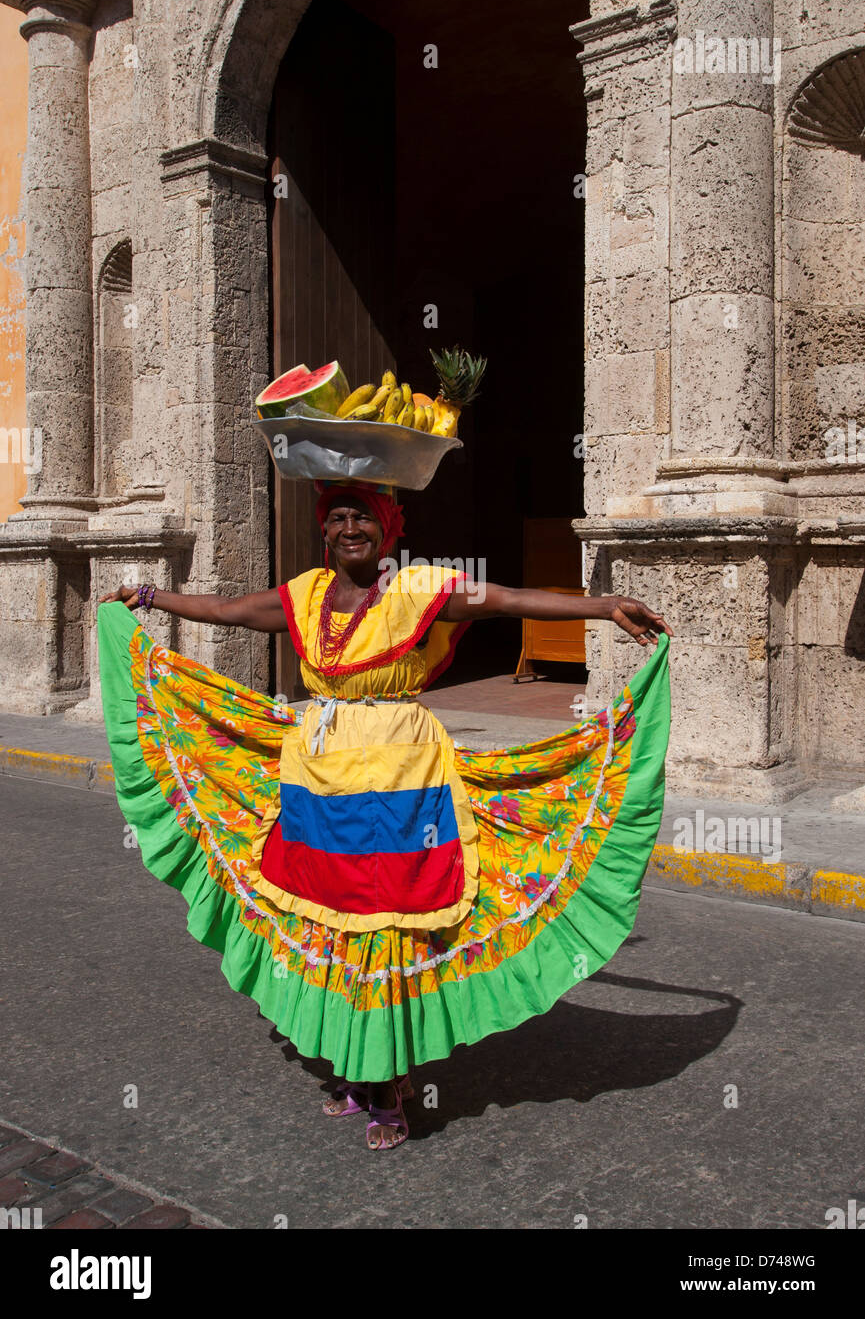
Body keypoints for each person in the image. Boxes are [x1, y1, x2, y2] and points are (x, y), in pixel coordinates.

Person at [98, 480, 672, 1150]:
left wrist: (604, 607)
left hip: (404, 780)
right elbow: (226, 610)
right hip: (321, 780)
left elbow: (509, 599)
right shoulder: (306, 595)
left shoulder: (419, 590)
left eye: (363, 518)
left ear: (388, 530)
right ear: (324, 529)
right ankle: (365, 1069)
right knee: (333, 917)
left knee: (392, 918)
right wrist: (144, 597)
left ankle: (387, 1087)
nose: (350, 529)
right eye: (338, 517)